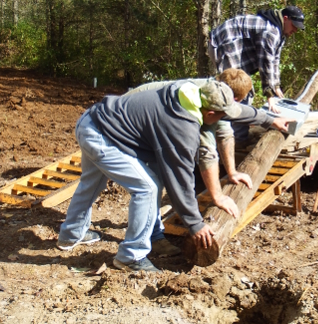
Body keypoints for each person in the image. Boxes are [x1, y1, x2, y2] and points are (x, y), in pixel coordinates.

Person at [57, 80, 245, 272]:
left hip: (92, 120)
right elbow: (180, 180)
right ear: (211, 114)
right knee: (148, 187)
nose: (223, 120)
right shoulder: (183, 127)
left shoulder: (183, 93)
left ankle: (71, 233)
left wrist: (268, 119)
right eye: (222, 116)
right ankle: (131, 256)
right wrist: (195, 224)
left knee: (92, 181)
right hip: (101, 137)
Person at [124, 69, 292, 257]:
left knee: (102, 181)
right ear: (230, 98)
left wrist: (233, 171)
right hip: (133, 123)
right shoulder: (203, 105)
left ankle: (85, 227)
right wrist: (217, 197)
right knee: (152, 183)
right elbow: (206, 154)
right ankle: (151, 238)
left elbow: (226, 134)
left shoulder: (214, 95)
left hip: (131, 120)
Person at [208, 5, 305, 143]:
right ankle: (237, 139)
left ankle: (236, 134)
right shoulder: (270, 31)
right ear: (285, 19)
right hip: (224, 43)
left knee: (243, 90)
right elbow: (265, 61)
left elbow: (274, 60)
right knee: (239, 90)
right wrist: (269, 94)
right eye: (294, 26)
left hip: (235, 45)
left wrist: (276, 86)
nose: (295, 30)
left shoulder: (280, 32)